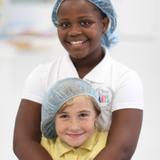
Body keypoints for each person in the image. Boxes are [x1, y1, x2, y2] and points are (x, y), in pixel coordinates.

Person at [13, 0, 144, 160]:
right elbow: (23, 141)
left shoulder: (125, 79)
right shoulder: (42, 74)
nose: (74, 32)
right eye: (65, 25)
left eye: (85, 22)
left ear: (104, 24)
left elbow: (122, 148)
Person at [40, 78, 108, 160]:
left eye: (83, 115)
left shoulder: (109, 144)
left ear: (96, 115)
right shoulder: (43, 147)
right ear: (52, 119)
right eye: (64, 116)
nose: (74, 127)